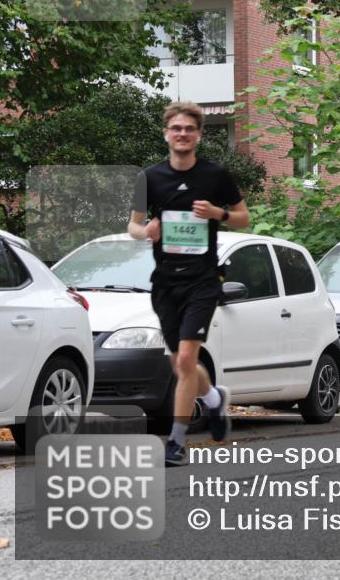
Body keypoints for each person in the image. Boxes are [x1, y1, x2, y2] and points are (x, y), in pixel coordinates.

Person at [129, 101, 250, 466]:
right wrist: (145, 231)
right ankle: (213, 399)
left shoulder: (216, 176)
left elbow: (244, 218)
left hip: (202, 281)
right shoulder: (148, 178)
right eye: (176, 128)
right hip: (165, 283)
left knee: (185, 357)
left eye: (189, 129)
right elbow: (133, 225)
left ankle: (177, 441)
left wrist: (219, 214)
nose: (182, 134)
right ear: (166, 133)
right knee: (182, 365)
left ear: (198, 134)